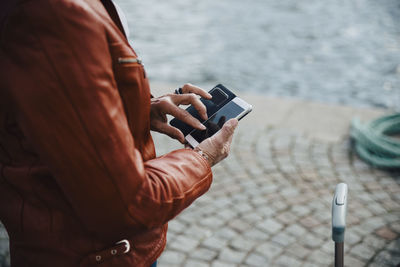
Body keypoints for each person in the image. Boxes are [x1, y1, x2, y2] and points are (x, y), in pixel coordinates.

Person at [0, 0, 238, 266]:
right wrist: (203, 157)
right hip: (98, 255)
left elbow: (46, 107)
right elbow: (129, 203)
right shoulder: (55, 14)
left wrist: (138, 105)